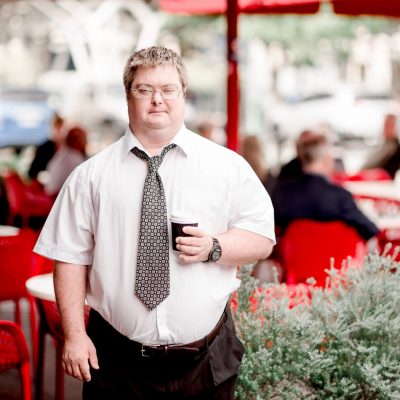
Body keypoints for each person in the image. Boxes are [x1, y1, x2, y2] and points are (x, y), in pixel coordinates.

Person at [34, 46, 275, 400]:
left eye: (168, 90)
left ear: (183, 95)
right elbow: (70, 257)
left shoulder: (227, 167)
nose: (157, 100)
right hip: (115, 362)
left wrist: (215, 246)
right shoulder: (90, 176)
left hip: (205, 362)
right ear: (127, 96)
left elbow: (262, 237)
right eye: (144, 90)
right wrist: (74, 335)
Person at [273, 132, 379, 241]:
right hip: (337, 256)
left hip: (291, 256)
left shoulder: (282, 192)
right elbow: (370, 229)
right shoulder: (341, 197)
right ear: (326, 159)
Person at [44, 125, 87, 197]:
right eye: (84, 139)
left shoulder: (61, 154)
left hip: (53, 196)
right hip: (58, 199)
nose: (85, 143)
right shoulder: (75, 158)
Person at [28, 112, 65, 180]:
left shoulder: (69, 149)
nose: (61, 131)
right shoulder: (44, 148)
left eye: (62, 127)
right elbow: (32, 172)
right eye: (58, 127)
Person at [362, 113, 400, 179]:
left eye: (389, 125)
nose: (385, 128)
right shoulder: (383, 144)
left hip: (378, 179)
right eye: (385, 125)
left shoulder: (393, 148)